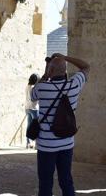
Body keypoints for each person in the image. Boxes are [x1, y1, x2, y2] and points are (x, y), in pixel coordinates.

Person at [31, 53, 90, 196]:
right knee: (66, 180)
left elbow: (32, 96)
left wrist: (46, 75)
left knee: (45, 182)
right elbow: (86, 67)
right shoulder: (74, 84)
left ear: (50, 71)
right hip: (66, 143)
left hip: (46, 145)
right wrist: (65, 57)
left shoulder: (42, 88)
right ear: (65, 71)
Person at [25, 73, 39, 149]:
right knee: (36, 126)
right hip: (34, 108)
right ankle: (37, 144)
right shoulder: (34, 87)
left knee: (29, 125)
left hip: (27, 107)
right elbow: (34, 98)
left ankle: (27, 143)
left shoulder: (27, 86)